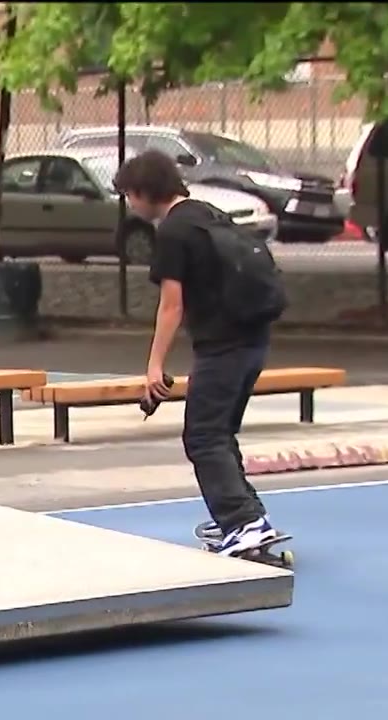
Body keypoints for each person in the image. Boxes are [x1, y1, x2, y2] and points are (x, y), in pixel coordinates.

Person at [112, 149, 283, 557]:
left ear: (143, 191)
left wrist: (154, 366)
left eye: (129, 196)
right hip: (252, 340)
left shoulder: (173, 231)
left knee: (203, 437)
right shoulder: (207, 213)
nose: (130, 206)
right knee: (219, 433)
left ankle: (243, 523)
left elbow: (172, 305)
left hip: (222, 348)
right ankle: (245, 517)